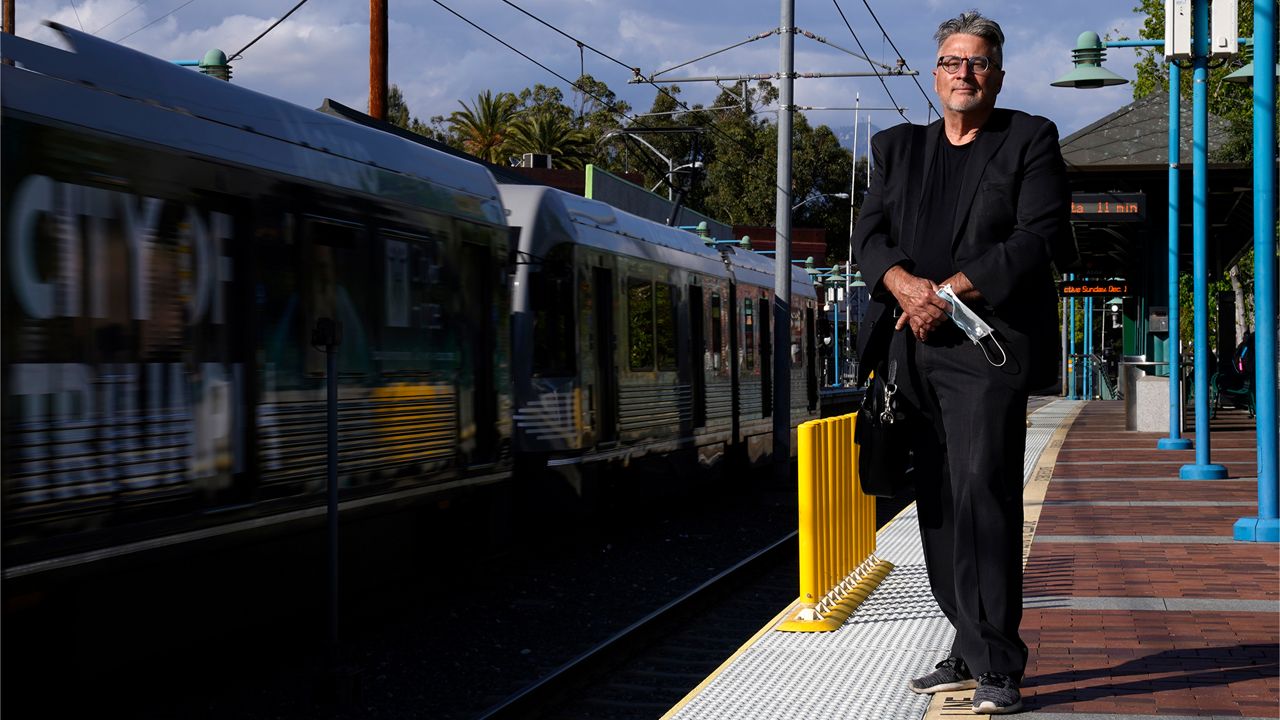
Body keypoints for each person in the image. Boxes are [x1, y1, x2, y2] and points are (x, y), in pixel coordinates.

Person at [851, 10, 1074, 715]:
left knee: (984, 492)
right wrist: (905, 288)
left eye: (977, 63)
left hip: (984, 346)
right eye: (953, 61)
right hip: (910, 348)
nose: (964, 74)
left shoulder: (1029, 139)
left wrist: (943, 293)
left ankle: (1000, 664)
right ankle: (966, 644)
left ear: (998, 75)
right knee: (938, 499)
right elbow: (869, 236)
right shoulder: (897, 148)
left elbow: (1036, 238)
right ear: (935, 72)